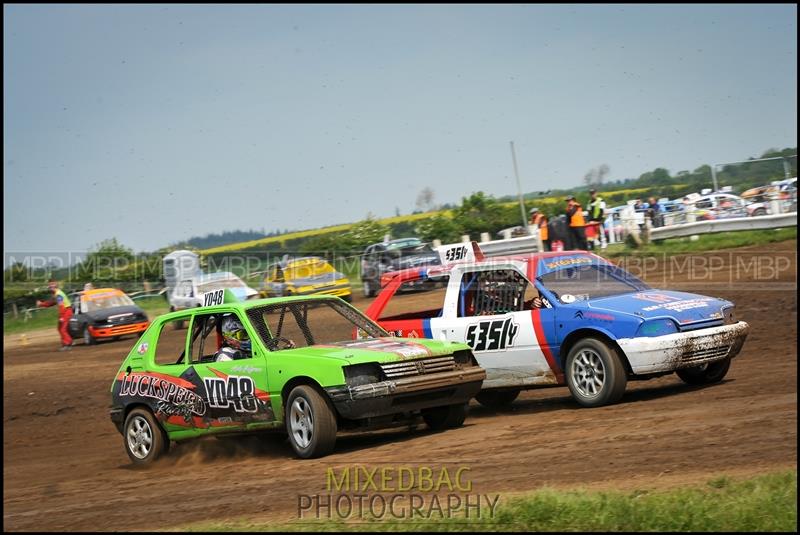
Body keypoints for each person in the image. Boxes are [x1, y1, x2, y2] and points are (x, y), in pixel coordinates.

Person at [36, 278, 73, 351]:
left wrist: (62, 317)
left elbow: (61, 306)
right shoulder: (56, 294)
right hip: (65, 311)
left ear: (56, 285)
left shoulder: (58, 294)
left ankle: (68, 343)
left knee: (62, 329)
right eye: (49, 285)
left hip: (66, 311)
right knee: (60, 328)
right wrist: (41, 304)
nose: (50, 287)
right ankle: (65, 344)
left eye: (52, 284)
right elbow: (51, 303)